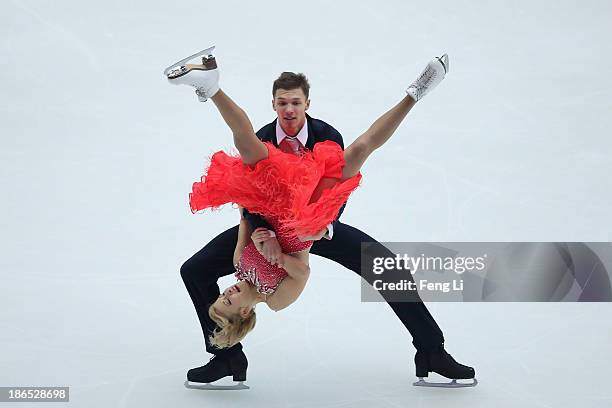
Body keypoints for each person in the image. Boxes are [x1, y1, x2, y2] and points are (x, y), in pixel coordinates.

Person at [170, 49, 477, 388]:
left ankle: (431, 351)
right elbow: (249, 197)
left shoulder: (327, 135)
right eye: (282, 103)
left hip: (313, 222)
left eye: (295, 103)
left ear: (306, 105)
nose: (289, 110)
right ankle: (226, 356)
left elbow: (336, 190)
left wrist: (322, 226)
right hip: (271, 224)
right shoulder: (262, 139)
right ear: (273, 105)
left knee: (387, 265)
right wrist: (262, 232)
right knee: (194, 270)